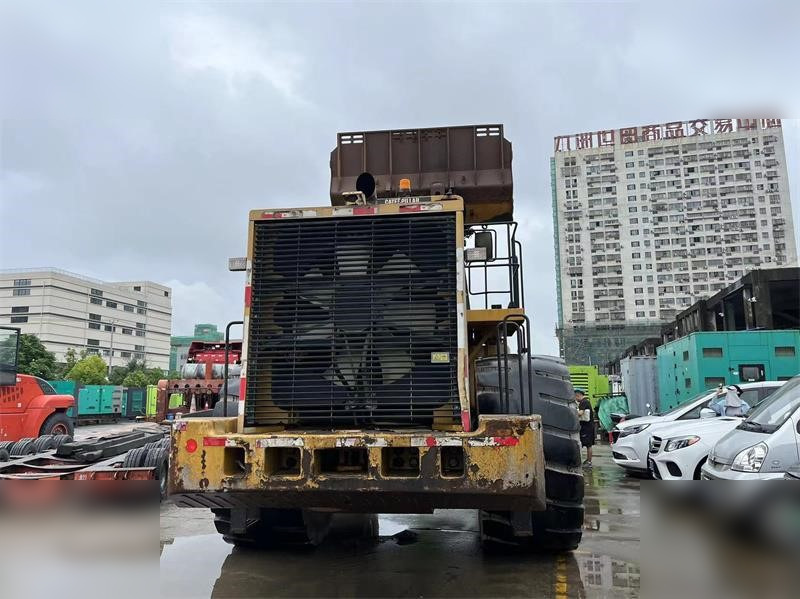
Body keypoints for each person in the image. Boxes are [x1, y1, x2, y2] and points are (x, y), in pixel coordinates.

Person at [575, 388, 595, 467]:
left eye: (575, 397)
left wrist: (572, 412)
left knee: (588, 445)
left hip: (587, 427)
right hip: (588, 426)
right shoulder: (586, 401)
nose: (575, 399)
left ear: (578, 395)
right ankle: (588, 460)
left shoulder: (583, 402)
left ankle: (589, 462)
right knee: (587, 444)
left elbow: (580, 413)